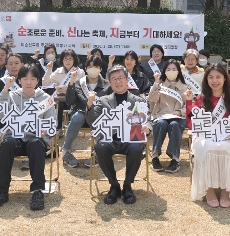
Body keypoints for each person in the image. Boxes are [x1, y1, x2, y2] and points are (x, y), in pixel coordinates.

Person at [0, 64, 56, 211]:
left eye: (32, 79)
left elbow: (52, 122)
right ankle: (1, 191)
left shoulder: (45, 98)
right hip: (15, 137)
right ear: (19, 80)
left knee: (36, 143)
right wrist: (6, 89)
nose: (29, 82)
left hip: (36, 138)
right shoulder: (12, 96)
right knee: (7, 144)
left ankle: (37, 191)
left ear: (38, 81)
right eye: (25, 79)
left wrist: (43, 131)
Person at [188, 63, 230, 207]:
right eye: (211, 77)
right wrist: (188, 102)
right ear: (206, 80)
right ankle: (209, 189)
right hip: (205, 136)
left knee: (228, 147)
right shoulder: (201, 100)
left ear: (225, 79)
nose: (215, 81)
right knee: (206, 146)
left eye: (218, 77)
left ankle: (227, 189)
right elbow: (191, 123)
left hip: (227, 138)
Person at [87, 65, 151, 205]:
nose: (118, 82)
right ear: (109, 82)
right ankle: (114, 185)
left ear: (127, 80)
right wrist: (90, 105)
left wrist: (148, 127)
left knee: (136, 148)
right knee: (101, 148)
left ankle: (127, 185)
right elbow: (93, 122)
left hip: (131, 138)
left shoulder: (139, 100)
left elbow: (148, 120)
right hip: (110, 139)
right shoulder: (102, 100)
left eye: (121, 78)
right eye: (114, 79)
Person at [62, 56, 109, 168]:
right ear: (86, 68)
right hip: (80, 117)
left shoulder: (107, 85)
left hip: (98, 118)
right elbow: (69, 101)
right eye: (90, 67)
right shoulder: (79, 83)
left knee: (97, 119)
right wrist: (71, 83)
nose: (93, 69)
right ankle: (66, 151)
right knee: (78, 116)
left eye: (96, 67)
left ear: (101, 69)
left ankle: (98, 152)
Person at [148, 59, 192, 173]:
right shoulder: (160, 84)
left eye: (174, 69)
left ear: (178, 71)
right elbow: (152, 99)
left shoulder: (184, 87)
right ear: (164, 71)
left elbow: (188, 105)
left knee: (175, 125)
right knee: (161, 124)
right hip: (161, 115)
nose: (171, 71)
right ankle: (155, 156)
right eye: (168, 69)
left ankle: (175, 158)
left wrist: (179, 112)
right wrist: (156, 83)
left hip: (178, 117)